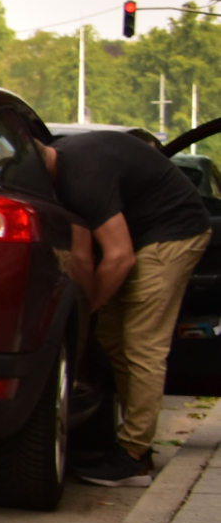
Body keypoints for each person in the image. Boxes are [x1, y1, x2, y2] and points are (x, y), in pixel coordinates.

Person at [38, 126, 214, 485]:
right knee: (112, 336)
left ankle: (134, 456)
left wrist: (84, 314)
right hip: (140, 233)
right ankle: (134, 440)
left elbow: (119, 258)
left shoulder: (81, 179)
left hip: (174, 233)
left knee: (141, 343)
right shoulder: (62, 162)